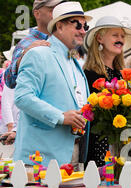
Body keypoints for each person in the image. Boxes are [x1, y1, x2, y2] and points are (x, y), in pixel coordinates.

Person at [13, 1, 92, 167]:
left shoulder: (75, 61)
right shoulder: (38, 54)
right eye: (77, 25)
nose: (83, 31)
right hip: (40, 159)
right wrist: (61, 117)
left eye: (86, 26)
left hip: (74, 154)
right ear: (60, 26)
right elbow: (22, 97)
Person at [83, 16, 131, 167]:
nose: (120, 40)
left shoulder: (121, 74)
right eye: (115, 35)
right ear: (100, 38)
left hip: (122, 142)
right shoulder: (89, 73)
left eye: (122, 36)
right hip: (98, 141)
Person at [4, 0, 65, 89]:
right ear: (37, 14)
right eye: (52, 10)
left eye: (59, 10)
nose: (58, 14)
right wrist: (23, 57)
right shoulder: (26, 43)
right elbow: (9, 81)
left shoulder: (64, 40)